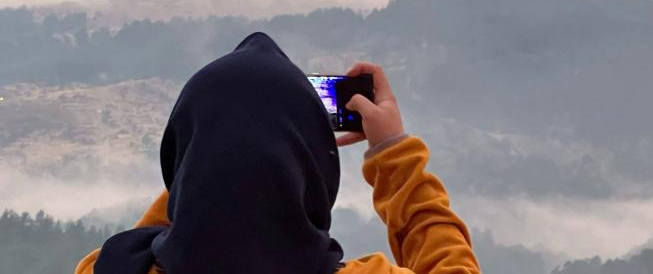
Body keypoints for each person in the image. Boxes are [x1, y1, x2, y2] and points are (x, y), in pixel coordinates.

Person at [74, 32, 481, 274]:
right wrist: (392, 151)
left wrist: (210, 154)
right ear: (309, 168)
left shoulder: (109, 269)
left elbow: (183, 212)